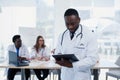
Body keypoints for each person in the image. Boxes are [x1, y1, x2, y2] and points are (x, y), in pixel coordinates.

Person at [54, 8, 99, 80]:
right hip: (66, 76)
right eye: (67, 24)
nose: (70, 26)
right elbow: (58, 52)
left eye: (72, 23)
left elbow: (92, 59)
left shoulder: (89, 35)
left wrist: (72, 65)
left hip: (81, 76)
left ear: (79, 20)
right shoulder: (62, 35)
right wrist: (59, 58)